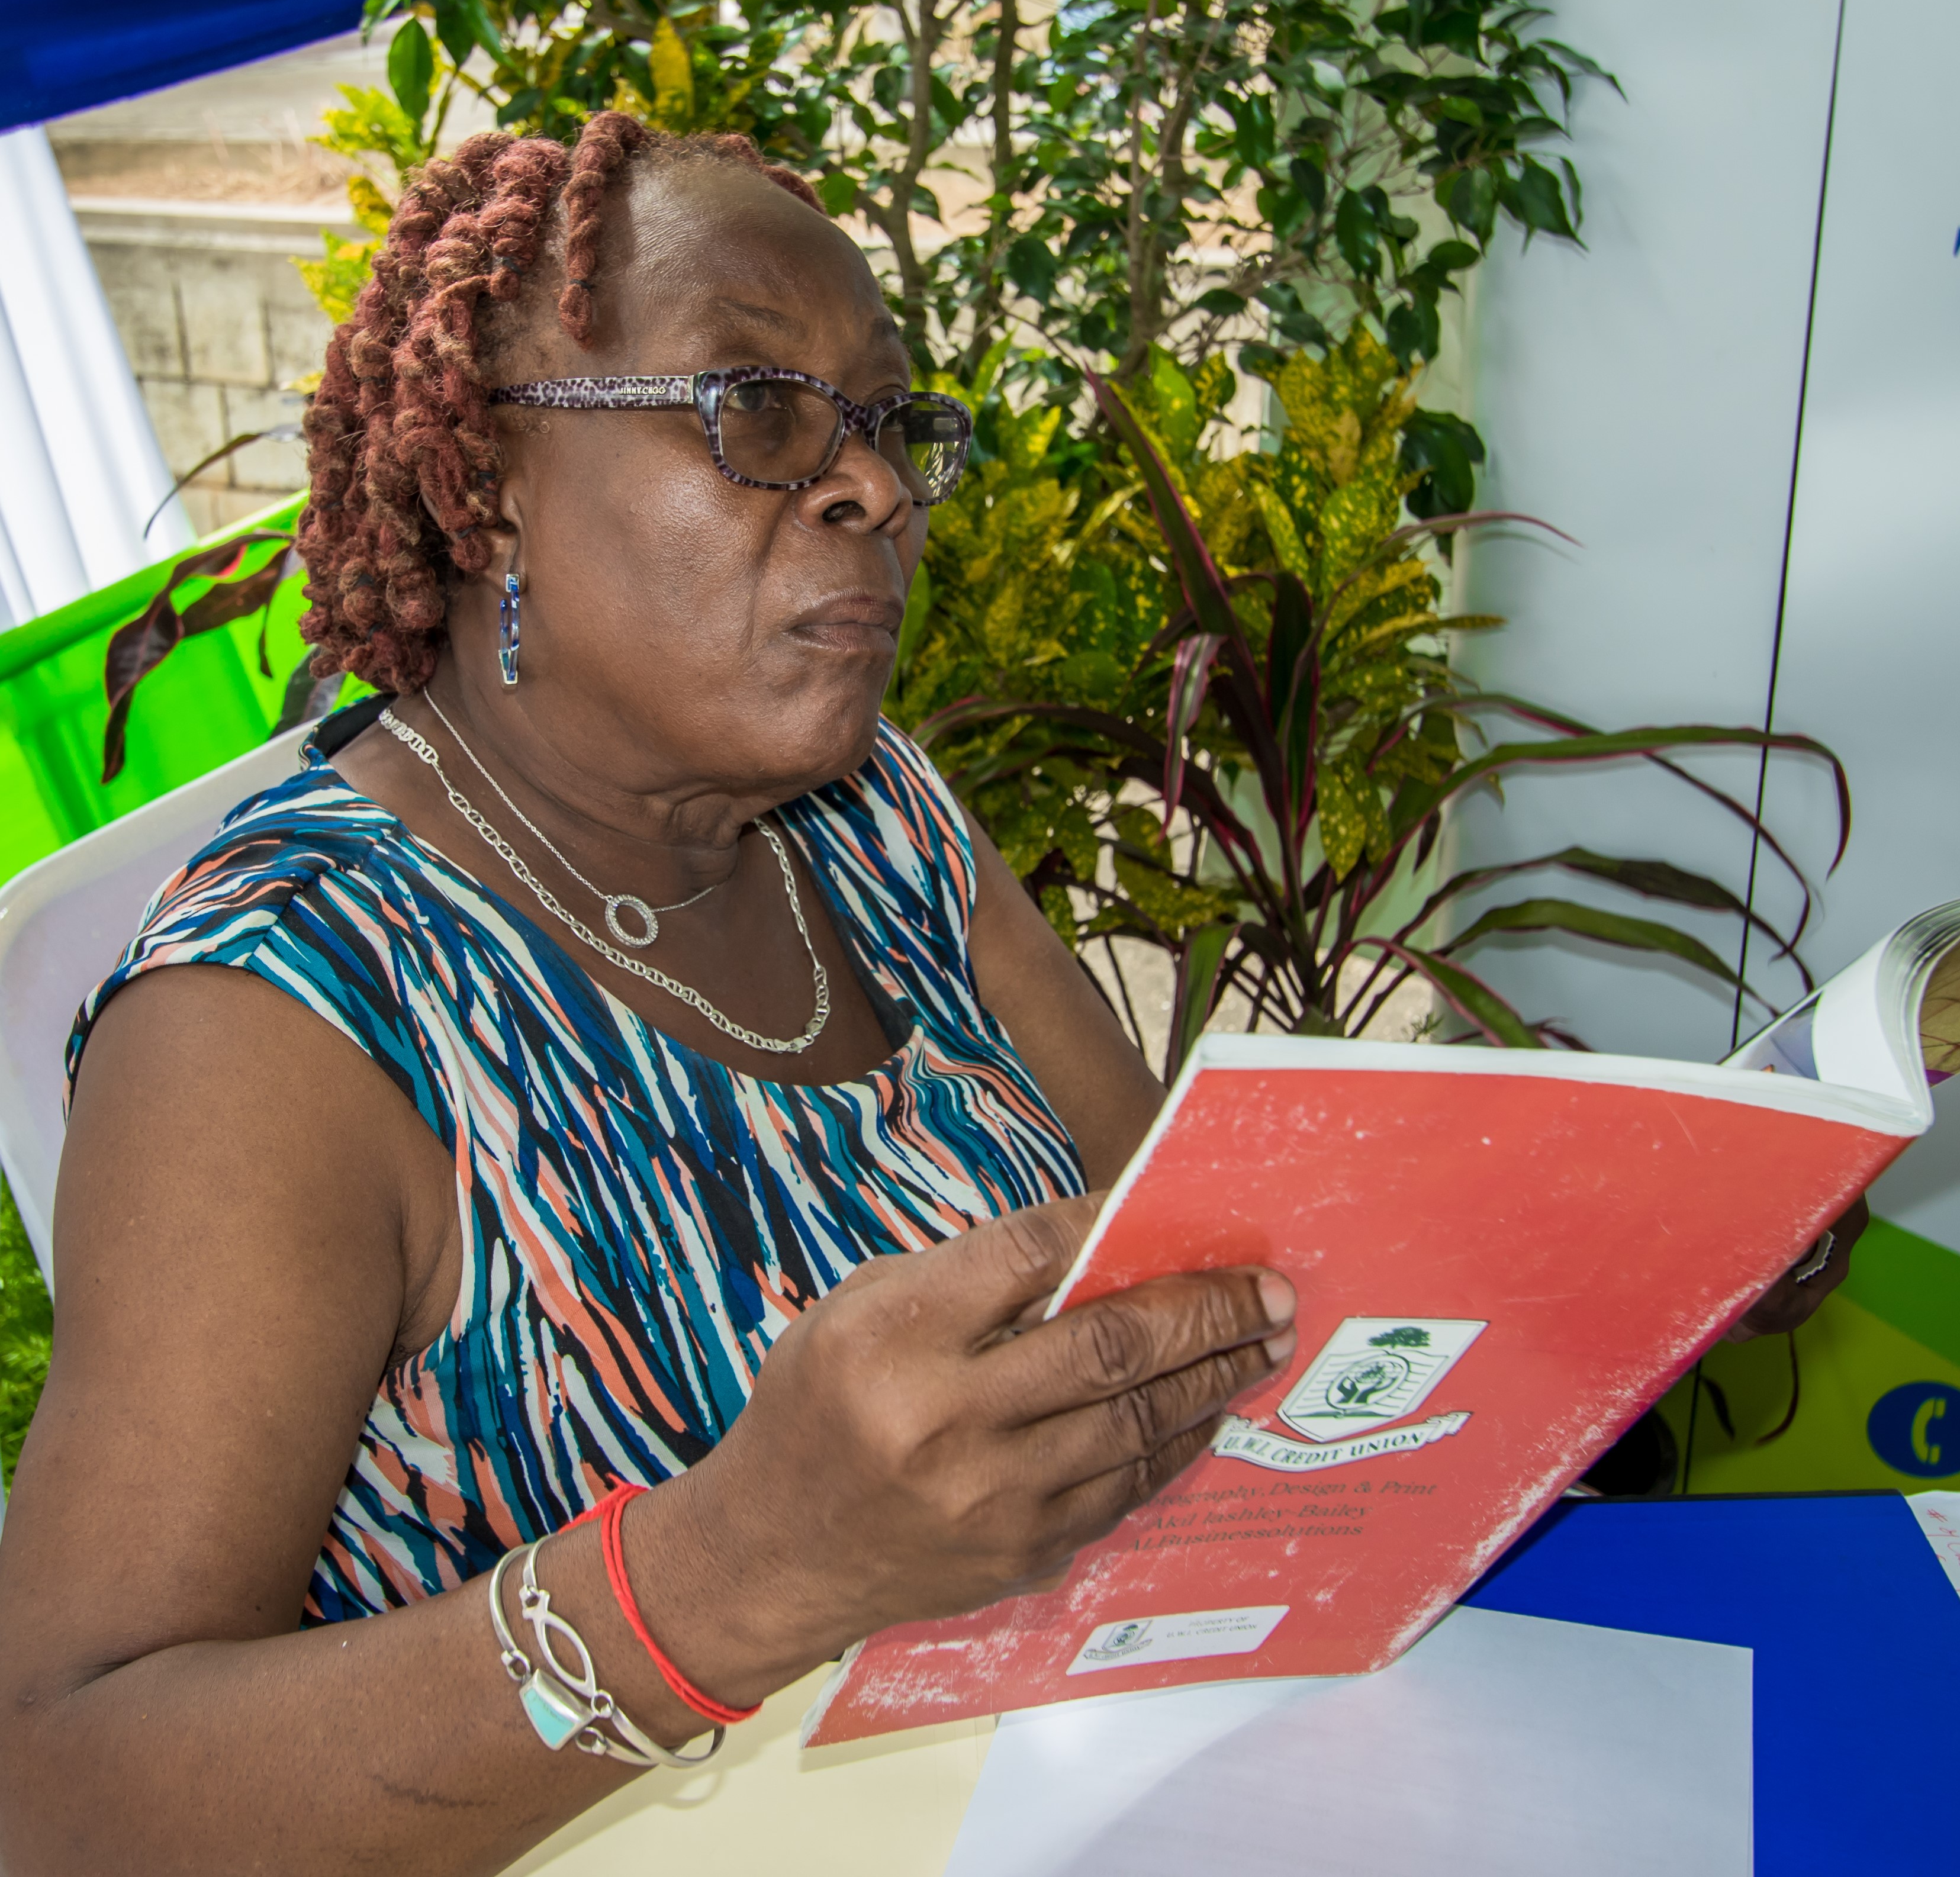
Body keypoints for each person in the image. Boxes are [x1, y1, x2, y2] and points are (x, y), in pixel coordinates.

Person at [0, 113, 1858, 1875]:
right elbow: (59, 1797)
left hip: (1099, 1792)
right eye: (755, 407)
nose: (875, 487)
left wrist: (1588, 1251)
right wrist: (727, 1574)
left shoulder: (873, 814)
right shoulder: (280, 1019)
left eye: (889, 423)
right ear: (486, 485)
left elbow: (1197, 1288)